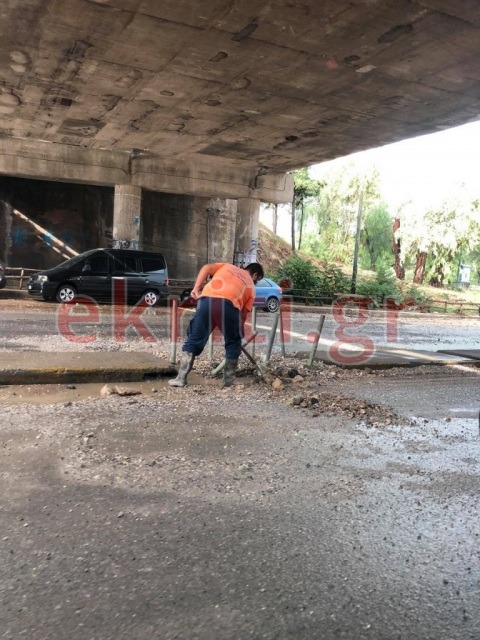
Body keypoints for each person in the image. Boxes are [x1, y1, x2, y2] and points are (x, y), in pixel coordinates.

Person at [169, 261, 264, 388]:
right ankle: (228, 382)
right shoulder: (251, 287)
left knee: (194, 339)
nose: (256, 282)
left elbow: (206, 268)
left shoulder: (227, 266)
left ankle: (181, 379)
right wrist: (238, 331)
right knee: (233, 343)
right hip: (229, 305)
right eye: (257, 280)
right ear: (255, 275)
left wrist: (196, 288)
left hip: (206, 300)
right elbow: (243, 314)